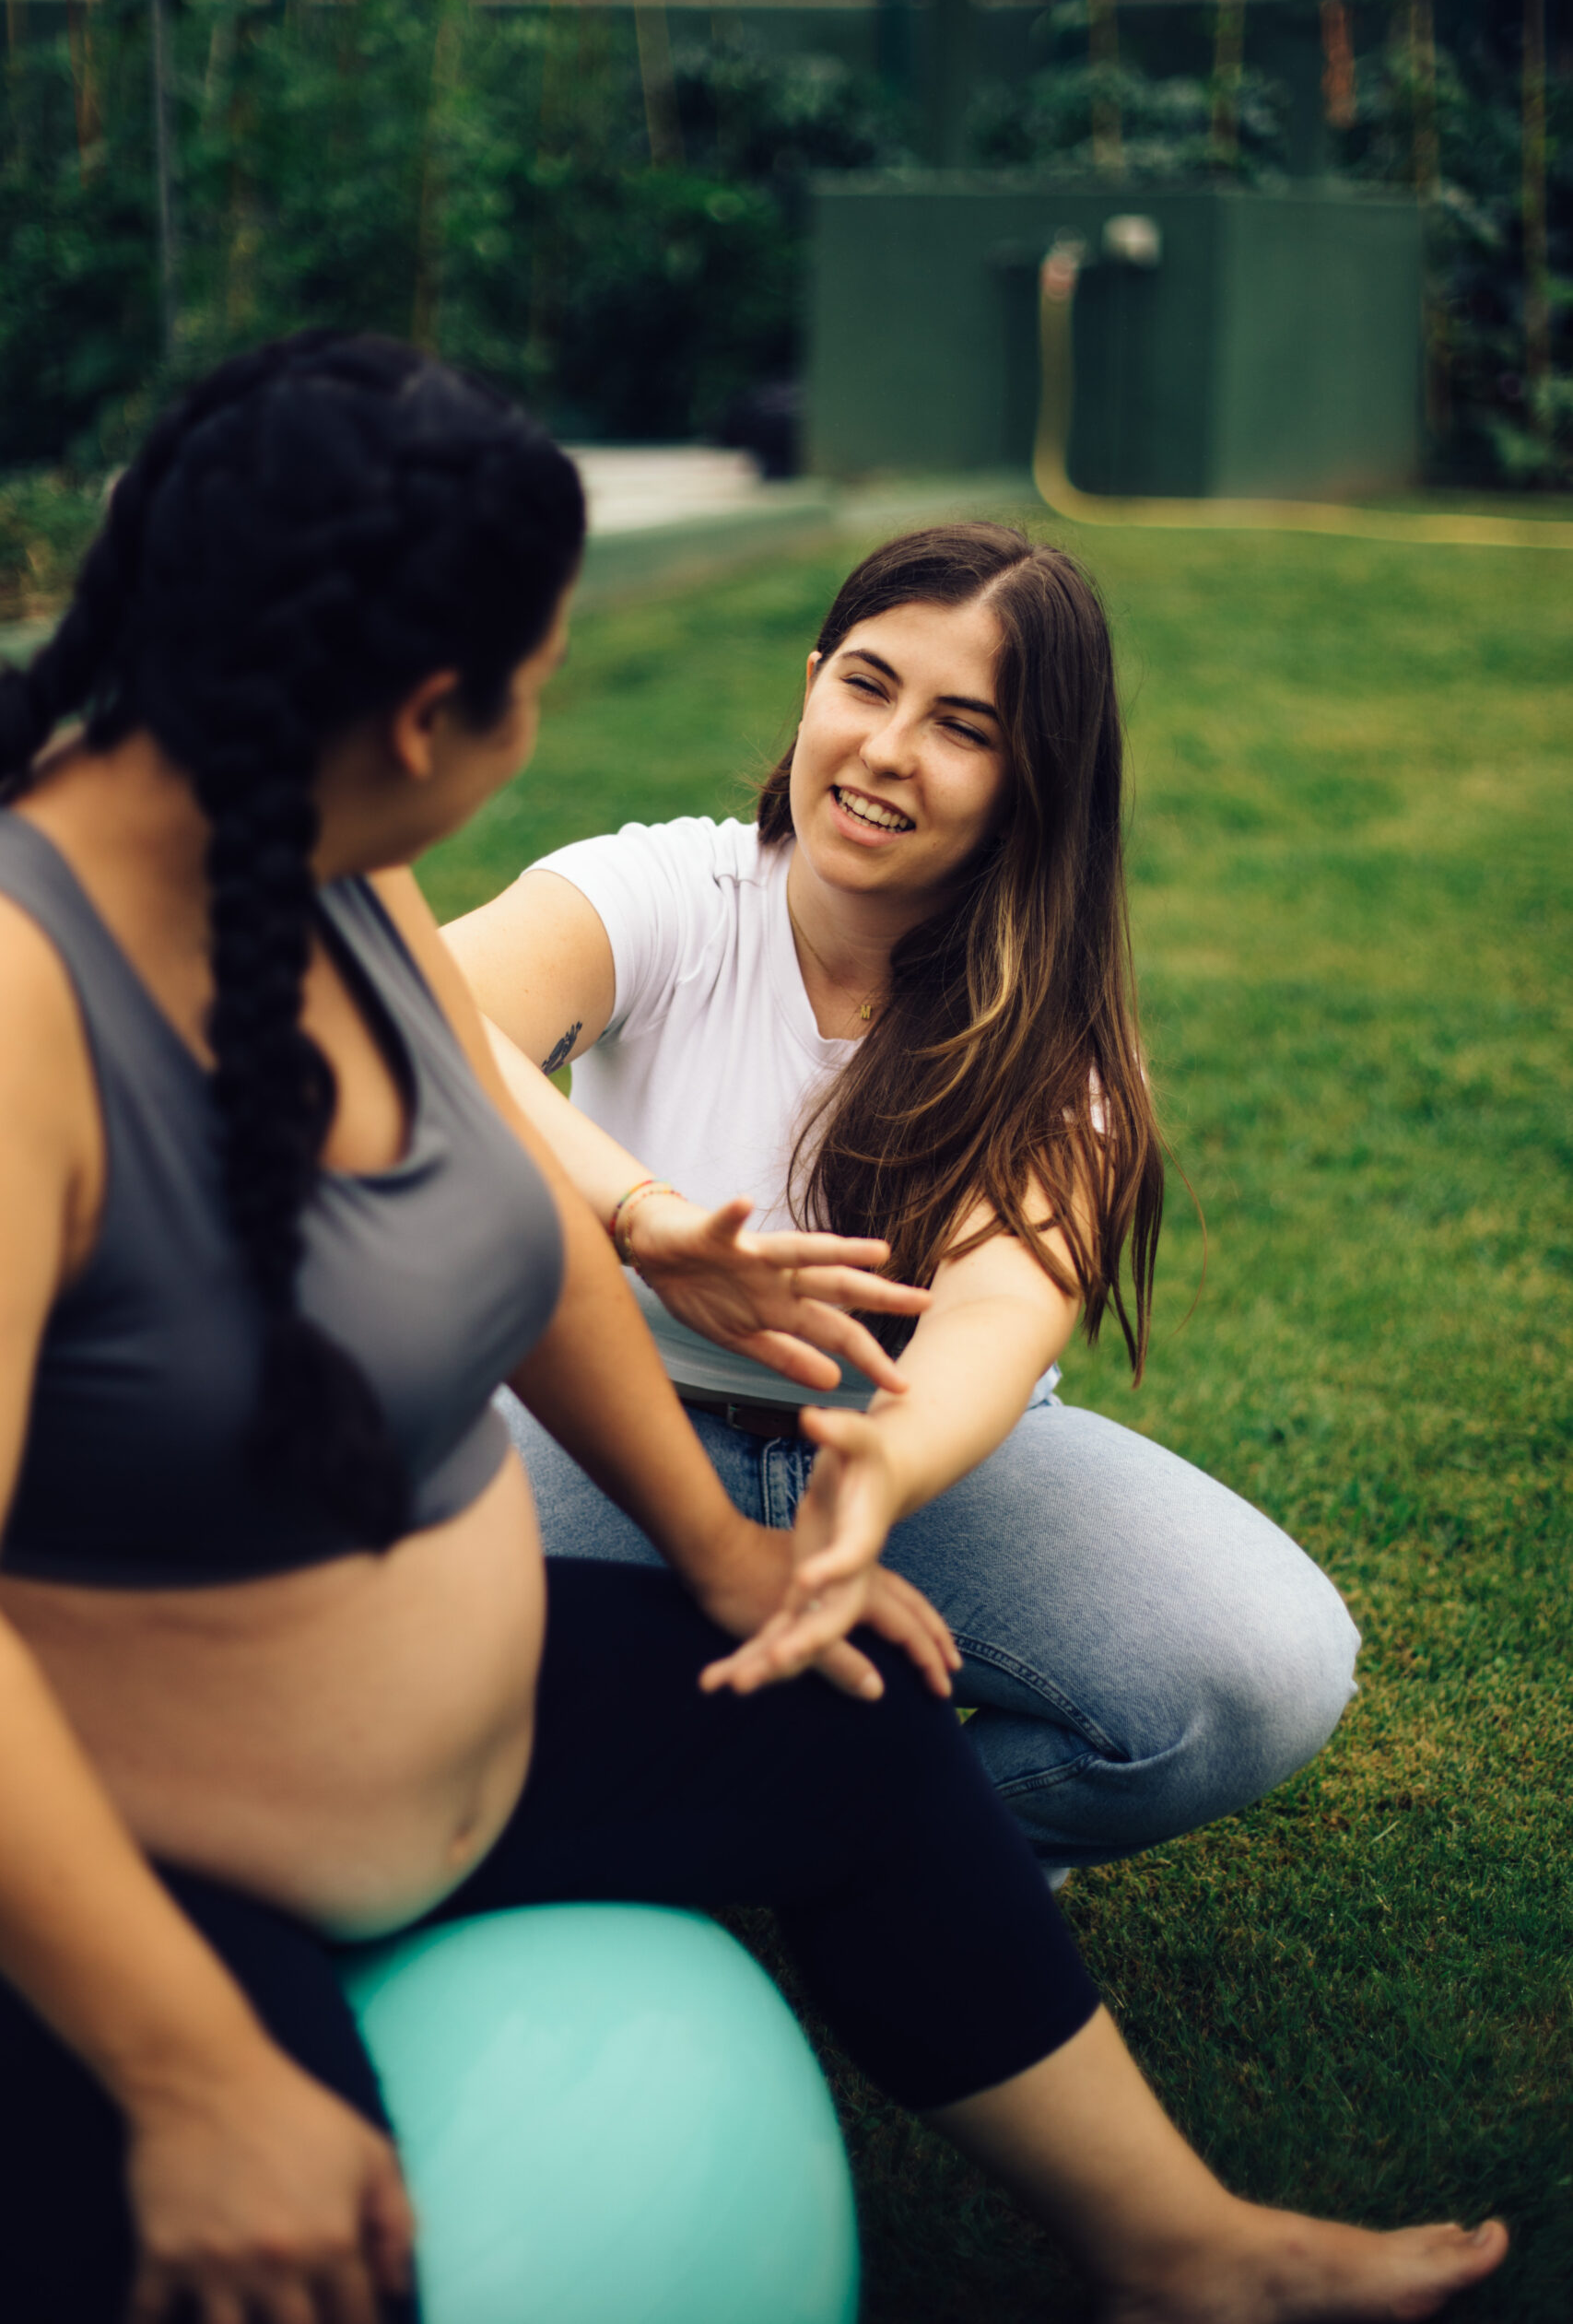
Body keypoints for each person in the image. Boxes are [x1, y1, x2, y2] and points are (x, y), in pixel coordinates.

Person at [0, 334, 1504, 2324]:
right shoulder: (34, 1000)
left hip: (490, 1730)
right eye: (536, 688)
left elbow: (522, 1242)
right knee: (324, 2226)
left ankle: (1176, 2247)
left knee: (862, 1719)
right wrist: (190, 2070)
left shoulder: (321, 866)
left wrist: (731, 1551)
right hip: (159, 1863)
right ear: (426, 709)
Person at [447, 521, 1364, 1885]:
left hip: (920, 1475)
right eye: (867, 686)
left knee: (1259, 1667)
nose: (886, 750)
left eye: (963, 726)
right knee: (322, 1616)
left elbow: (1002, 1308)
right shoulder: (668, 893)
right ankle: (748, 1818)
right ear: (812, 682)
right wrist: (636, 1214)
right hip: (609, 1429)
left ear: (1030, 785)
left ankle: (839, 1839)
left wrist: (885, 1466)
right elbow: (413, 1018)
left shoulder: (1059, 1052)